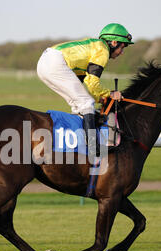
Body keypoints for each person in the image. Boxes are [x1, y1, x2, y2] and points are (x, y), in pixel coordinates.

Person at [37, 23, 134, 157]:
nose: (122, 52)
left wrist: (100, 97)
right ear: (114, 42)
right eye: (122, 47)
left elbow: (87, 84)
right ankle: (93, 146)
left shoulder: (95, 46)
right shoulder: (102, 51)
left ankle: (76, 144)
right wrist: (110, 94)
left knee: (79, 103)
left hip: (45, 62)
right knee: (86, 102)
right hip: (55, 62)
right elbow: (92, 83)